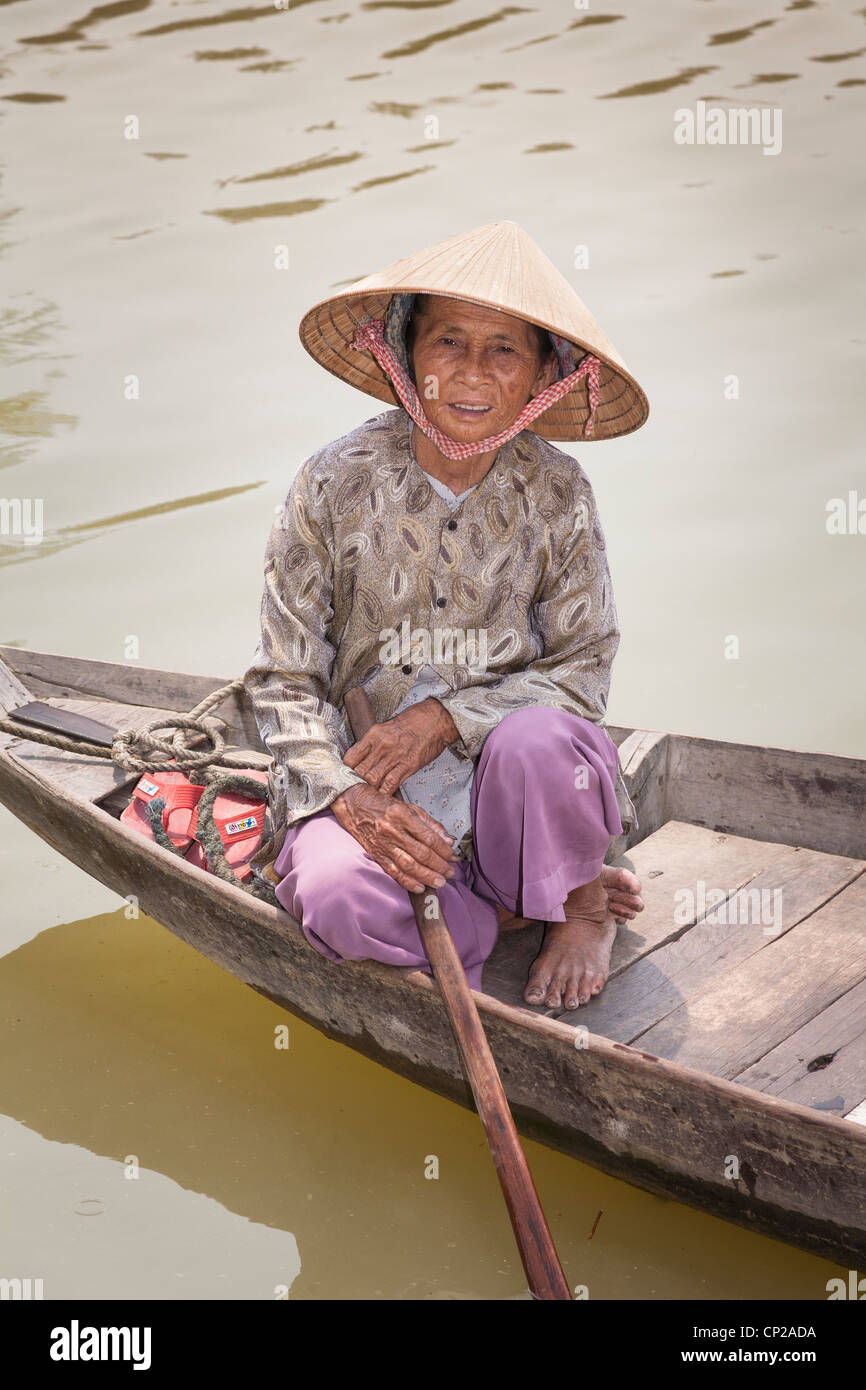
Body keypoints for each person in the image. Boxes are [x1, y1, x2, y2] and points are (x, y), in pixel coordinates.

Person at [243, 219, 649, 1008]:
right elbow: (283, 681)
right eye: (448, 342)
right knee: (335, 897)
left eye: (505, 350)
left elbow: (581, 676)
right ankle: (514, 904)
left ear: (540, 376)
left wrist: (442, 720)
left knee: (542, 743)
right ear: (406, 355)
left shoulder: (558, 492)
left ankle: (575, 909)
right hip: (366, 780)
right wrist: (346, 799)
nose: (471, 372)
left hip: (513, 785)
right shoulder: (331, 481)